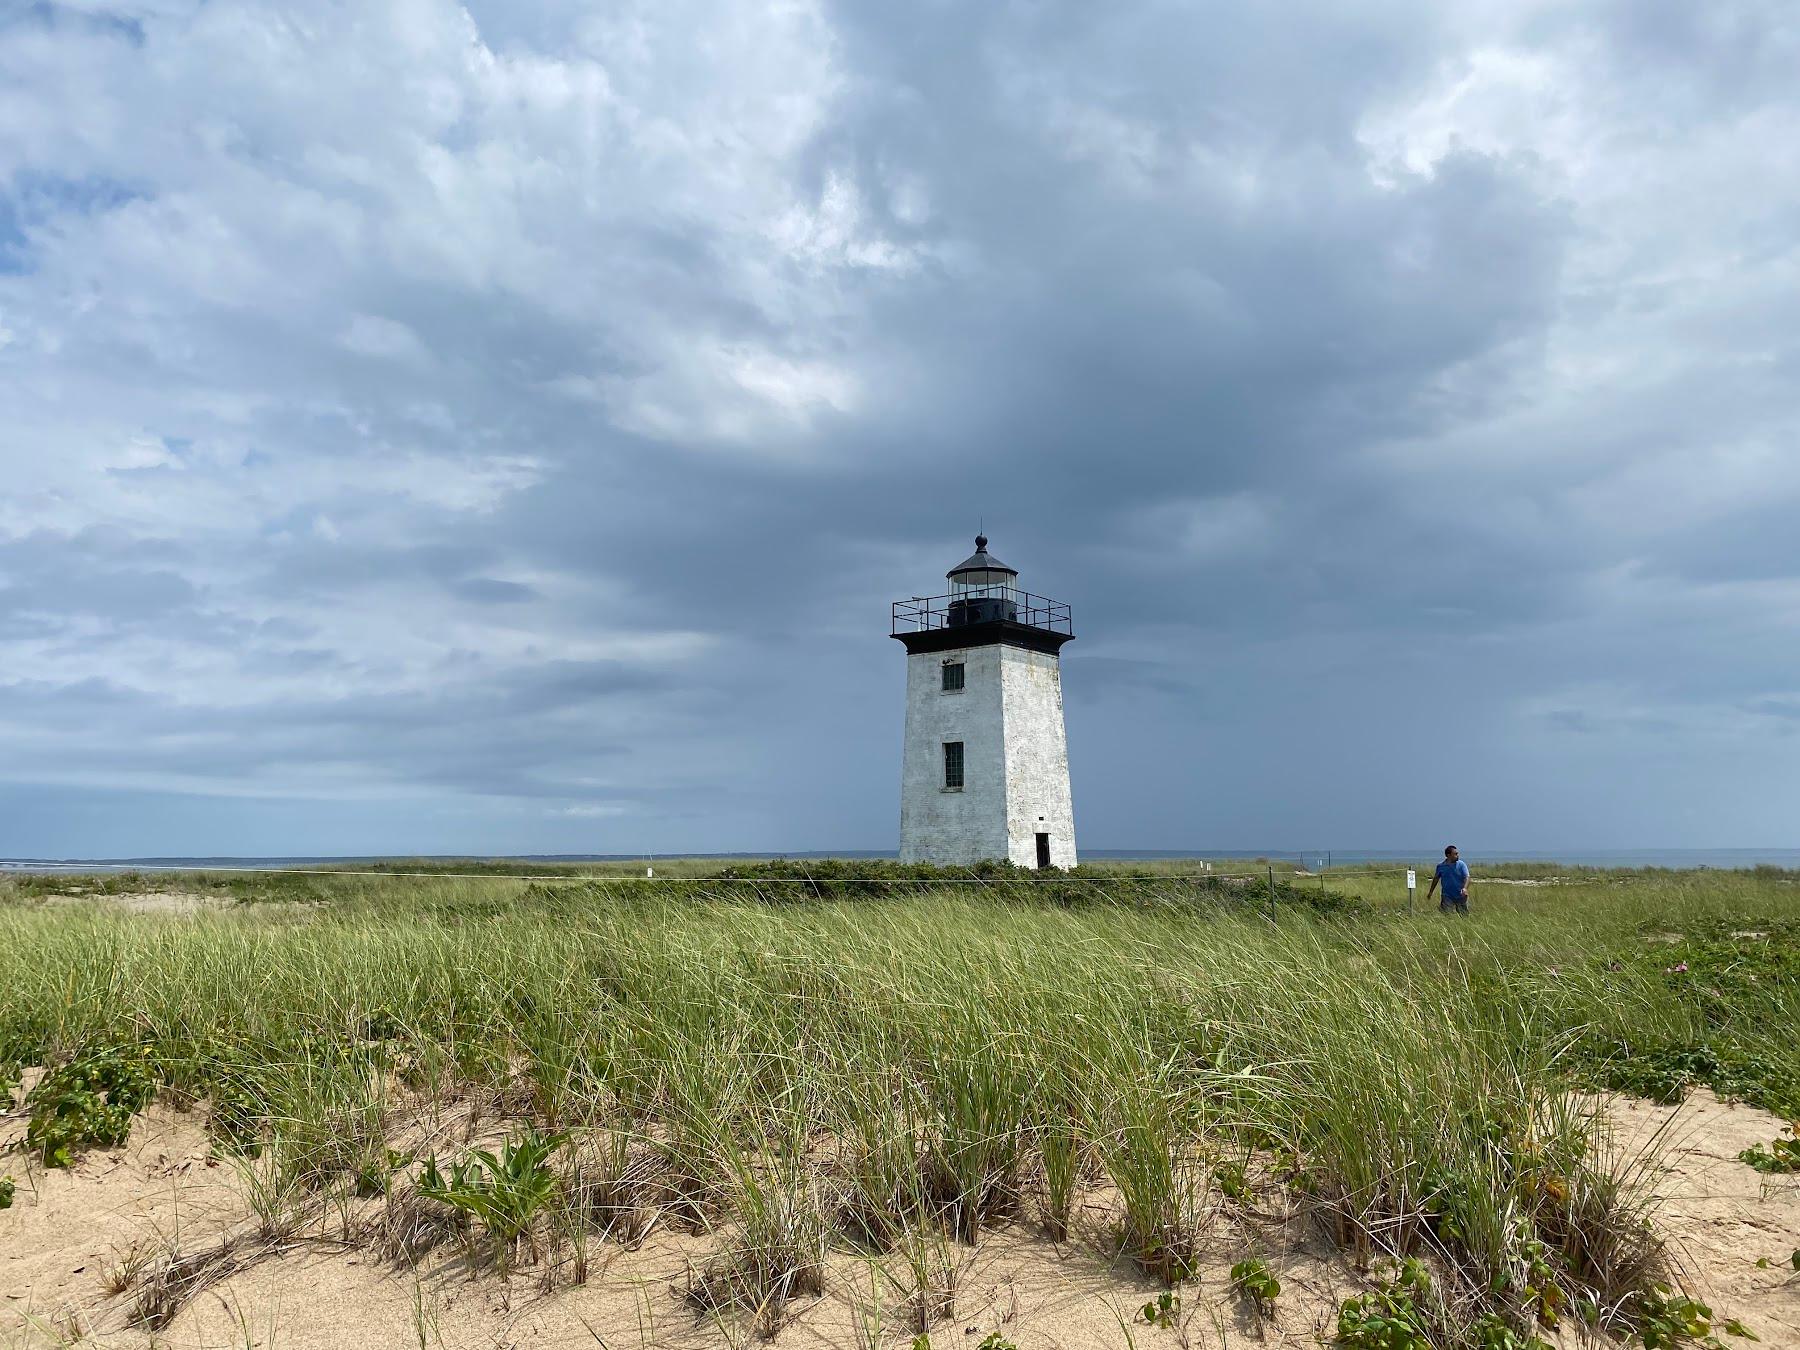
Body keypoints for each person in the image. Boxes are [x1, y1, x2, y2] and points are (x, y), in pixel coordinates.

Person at [1426, 844, 1470, 914]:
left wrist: (1465, 888)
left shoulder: (1461, 864)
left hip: (1460, 895)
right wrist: (1431, 892)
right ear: (1448, 855)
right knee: (1446, 915)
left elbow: (1467, 877)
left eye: (1457, 853)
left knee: (1464, 915)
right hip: (1447, 895)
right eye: (1455, 854)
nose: (1457, 855)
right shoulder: (1441, 866)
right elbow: (1436, 879)